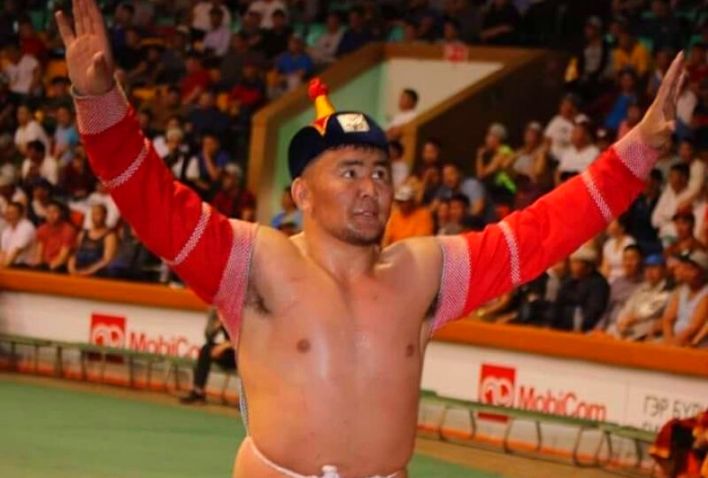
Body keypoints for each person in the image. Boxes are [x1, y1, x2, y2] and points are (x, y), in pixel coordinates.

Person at [56, 3, 685, 474]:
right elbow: (152, 203)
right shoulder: (254, 263)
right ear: (302, 193)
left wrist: (635, 154)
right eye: (350, 171)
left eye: (381, 172)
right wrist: (99, 98)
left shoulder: (424, 272)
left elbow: (538, 235)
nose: (370, 188)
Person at [180, 309, 237, 405]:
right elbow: (208, 337)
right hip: (230, 353)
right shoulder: (217, 312)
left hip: (244, 355)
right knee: (206, 350)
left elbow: (244, 339)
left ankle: (248, 401)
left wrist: (224, 346)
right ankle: (198, 392)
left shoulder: (240, 312)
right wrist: (216, 326)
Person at [613, 253, 671, 341]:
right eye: (647, 268)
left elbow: (650, 311)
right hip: (629, 326)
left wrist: (632, 319)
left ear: (664, 270)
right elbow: (629, 305)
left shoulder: (667, 289)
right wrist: (622, 319)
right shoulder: (642, 287)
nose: (649, 272)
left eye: (654, 268)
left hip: (648, 329)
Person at [552, 247, 610, 332]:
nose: (572, 266)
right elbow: (558, 302)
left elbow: (593, 312)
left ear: (589, 267)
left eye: (576, 263)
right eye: (572, 262)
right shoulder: (569, 281)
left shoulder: (599, 284)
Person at [661, 250, 708, 348]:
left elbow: (694, 327)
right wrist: (668, 340)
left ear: (702, 272)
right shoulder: (681, 290)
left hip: (694, 344)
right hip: (674, 341)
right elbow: (667, 319)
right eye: (684, 267)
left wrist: (674, 344)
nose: (683, 271)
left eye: (689, 269)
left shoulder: (705, 294)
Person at [68, 204, 117, 277]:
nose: (94, 217)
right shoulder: (83, 233)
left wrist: (88, 271)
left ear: (105, 215)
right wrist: (71, 268)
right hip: (79, 268)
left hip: (97, 272)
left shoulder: (110, 235)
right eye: (93, 214)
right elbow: (74, 254)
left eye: (98, 214)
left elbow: (107, 260)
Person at [33, 200, 77, 272]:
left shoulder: (68, 230)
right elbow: (39, 254)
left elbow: (62, 258)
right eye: (48, 212)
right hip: (45, 265)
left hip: (60, 267)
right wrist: (38, 268)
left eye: (54, 212)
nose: (51, 215)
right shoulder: (42, 229)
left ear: (61, 213)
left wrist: (48, 269)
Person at [600, 216, 636, 282]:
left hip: (625, 280)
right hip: (610, 280)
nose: (608, 225)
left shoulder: (629, 242)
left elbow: (630, 268)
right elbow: (605, 268)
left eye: (611, 223)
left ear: (622, 227)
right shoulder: (608, 244)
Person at [0, 201, 35, 268]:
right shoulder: (6, 231)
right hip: (10, 265)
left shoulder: (26, 227)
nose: (8, 216)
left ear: (21, 214)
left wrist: (3, 268)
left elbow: (16, 252)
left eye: (12, 213)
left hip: (25, 266)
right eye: (7, 213)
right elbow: (3, 252)